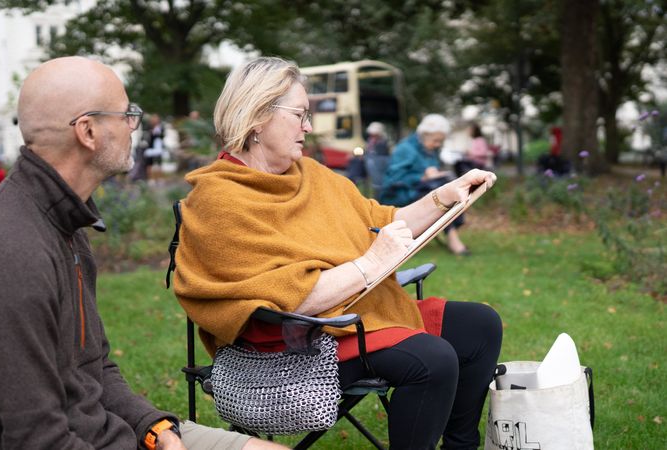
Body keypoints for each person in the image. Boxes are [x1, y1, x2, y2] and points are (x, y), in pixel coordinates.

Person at [173, 57, 502, 450]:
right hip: (290, 343)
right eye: (299, 114)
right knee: (432, 360)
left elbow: (380, 221)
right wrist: (371, 263)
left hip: (350, 316)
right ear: (258, 116)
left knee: (480, 324)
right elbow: (290, 299)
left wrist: (443, 197)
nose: (308, 127)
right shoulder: (219, 200)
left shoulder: (310, 174)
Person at [0, 56, 284, 450]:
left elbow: (95, 368)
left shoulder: (67, 223)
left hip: (114, 432)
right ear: (88, 131)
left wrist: (155, 429)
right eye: (127, 114)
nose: (134, 125)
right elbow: (36, 438)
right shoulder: (14, 250)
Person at [380, 114, 470, 255]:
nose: (438, 145)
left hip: (421, 191)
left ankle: (451, 233)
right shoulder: (405, 149)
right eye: (435, 140)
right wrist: (421, 176)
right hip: (398, 194)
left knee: (449, 190)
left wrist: (435, 175)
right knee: (439, 197)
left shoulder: (430, 151)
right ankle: (453, 238)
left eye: (440, 141)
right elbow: (392, 180)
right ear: (424, 135)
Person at [364, 121, 391, 198]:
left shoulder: (383, 142)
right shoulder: (370, 140)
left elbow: (384, 156)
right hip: (372, 163)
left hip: (378, 165)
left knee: (378, 185)